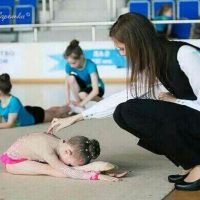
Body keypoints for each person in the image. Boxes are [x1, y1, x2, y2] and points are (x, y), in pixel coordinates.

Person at [49, 13, 200, 191]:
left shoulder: (185, 54)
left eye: (122, 48)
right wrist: (77, 117)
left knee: (131, 110)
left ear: (137, 42)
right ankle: (190, 162)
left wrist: (175, 101)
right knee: (123, 113)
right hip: (191, 118)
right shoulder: (154, 62)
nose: (122, 54)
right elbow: (127, 95)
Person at [0, 132, 127, 181]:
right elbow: (68, 172)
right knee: (50, 169)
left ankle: (93, 168)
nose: (69, 165)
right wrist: (97, 176)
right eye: (71, 164)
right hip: (14, 162)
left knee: (55, 166)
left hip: (28, 151)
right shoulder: (48, 151)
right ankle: (94, 169)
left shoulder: (61, 143)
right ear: (68, 152)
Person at [0, 73, 70, 128]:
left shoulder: (13, 102)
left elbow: (9, 124)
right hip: (25, 112)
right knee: (50, 111)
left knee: (56, 114)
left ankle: (70, 107)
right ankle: (67, 109)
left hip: (34, 116)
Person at [64, 39, 105, 108]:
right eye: (69, 63)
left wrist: (81, 104)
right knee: (70, 78)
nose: (71, 66)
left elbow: (95, 90)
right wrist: (67, 100)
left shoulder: (90, 65)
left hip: (98, 87)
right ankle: (81, 106)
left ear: (81, 56)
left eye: (73, 63)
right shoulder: (69, 65)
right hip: (84, 87)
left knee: (82, 94)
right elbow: (67, 83)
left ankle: (102, 100)